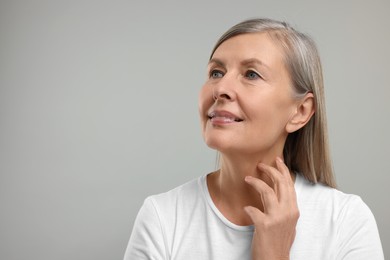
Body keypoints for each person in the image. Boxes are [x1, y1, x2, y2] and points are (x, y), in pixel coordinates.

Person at [123, 18, 384, 260]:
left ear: (300, 112)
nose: (221, 89)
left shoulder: (346, 221)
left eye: (251, 74)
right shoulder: (162, 217)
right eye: (216, 72)